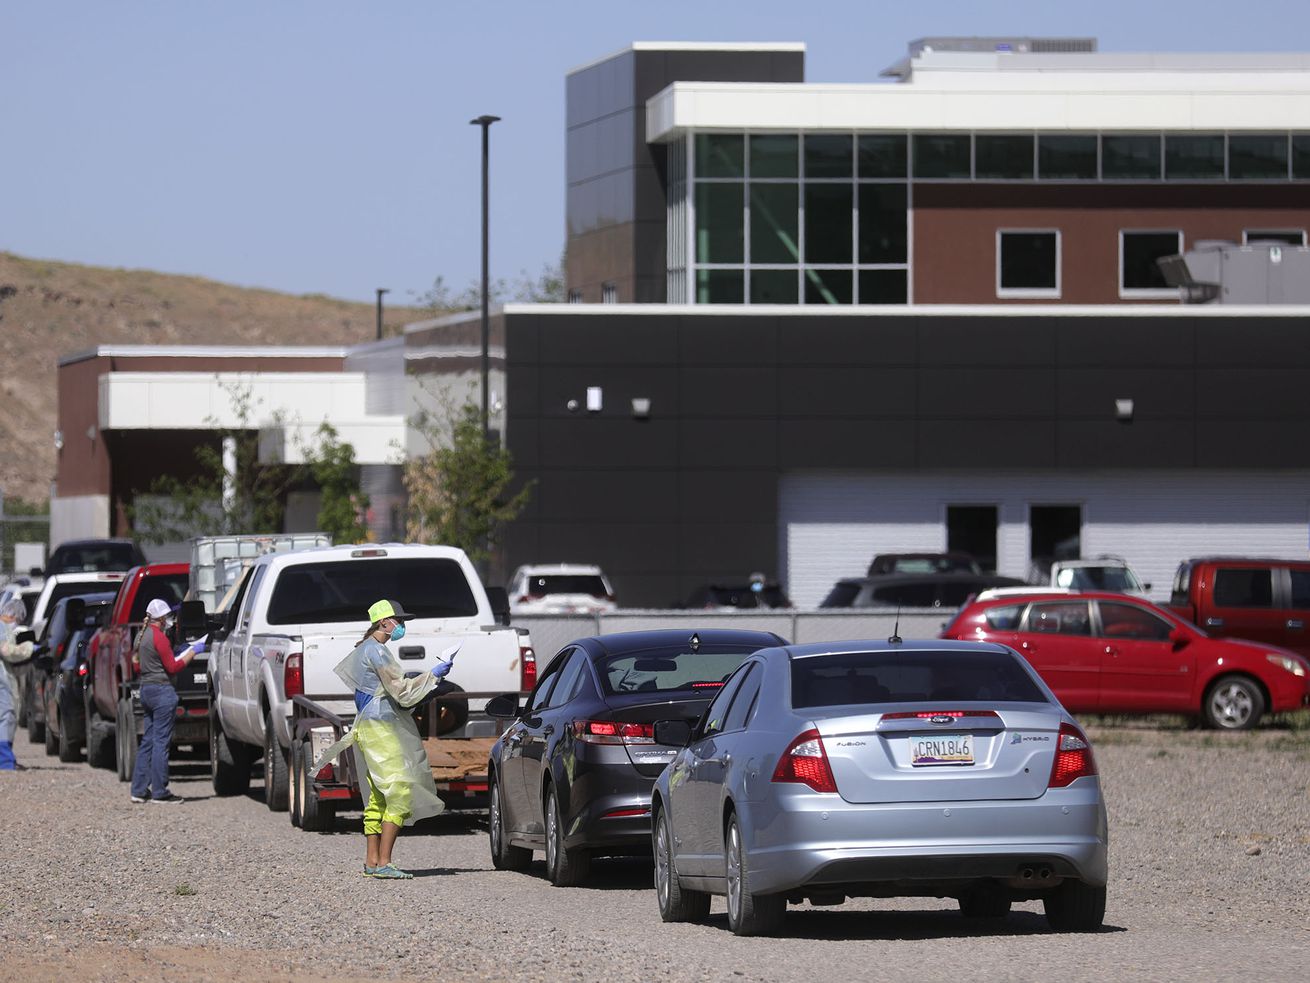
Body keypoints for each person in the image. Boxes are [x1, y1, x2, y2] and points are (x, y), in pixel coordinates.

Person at [317, 599, 454, 879]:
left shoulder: (365, 649)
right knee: (401, 789)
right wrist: (433, 676)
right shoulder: (377, 652)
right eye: (398, 621)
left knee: (378, 795)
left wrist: (429, 681)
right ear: (383, 623)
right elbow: (401, 691)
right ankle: (384, 862)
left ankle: (372, 861)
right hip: (382, 729)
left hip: (368, 727)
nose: (401, 626)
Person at [129, 598, 203, 803]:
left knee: (148, 741)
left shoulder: (140, 636)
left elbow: (136, 665)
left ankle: (139, 789)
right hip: (162, 692)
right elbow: (172, 667)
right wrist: (193, 652)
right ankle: (160, 791)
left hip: (146, 689)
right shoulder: (159, 638)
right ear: (161, 618)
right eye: (168, 616)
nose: (170, 620)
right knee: (161, 742)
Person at [0, 597, 34, 771]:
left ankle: (7, 759)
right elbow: (7, 651)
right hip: (1, 684)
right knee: (6, 716)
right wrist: (29, 649)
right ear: (14, 615)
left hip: (3, 680)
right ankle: (4, 761)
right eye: (18, 619)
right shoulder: (2, 629)